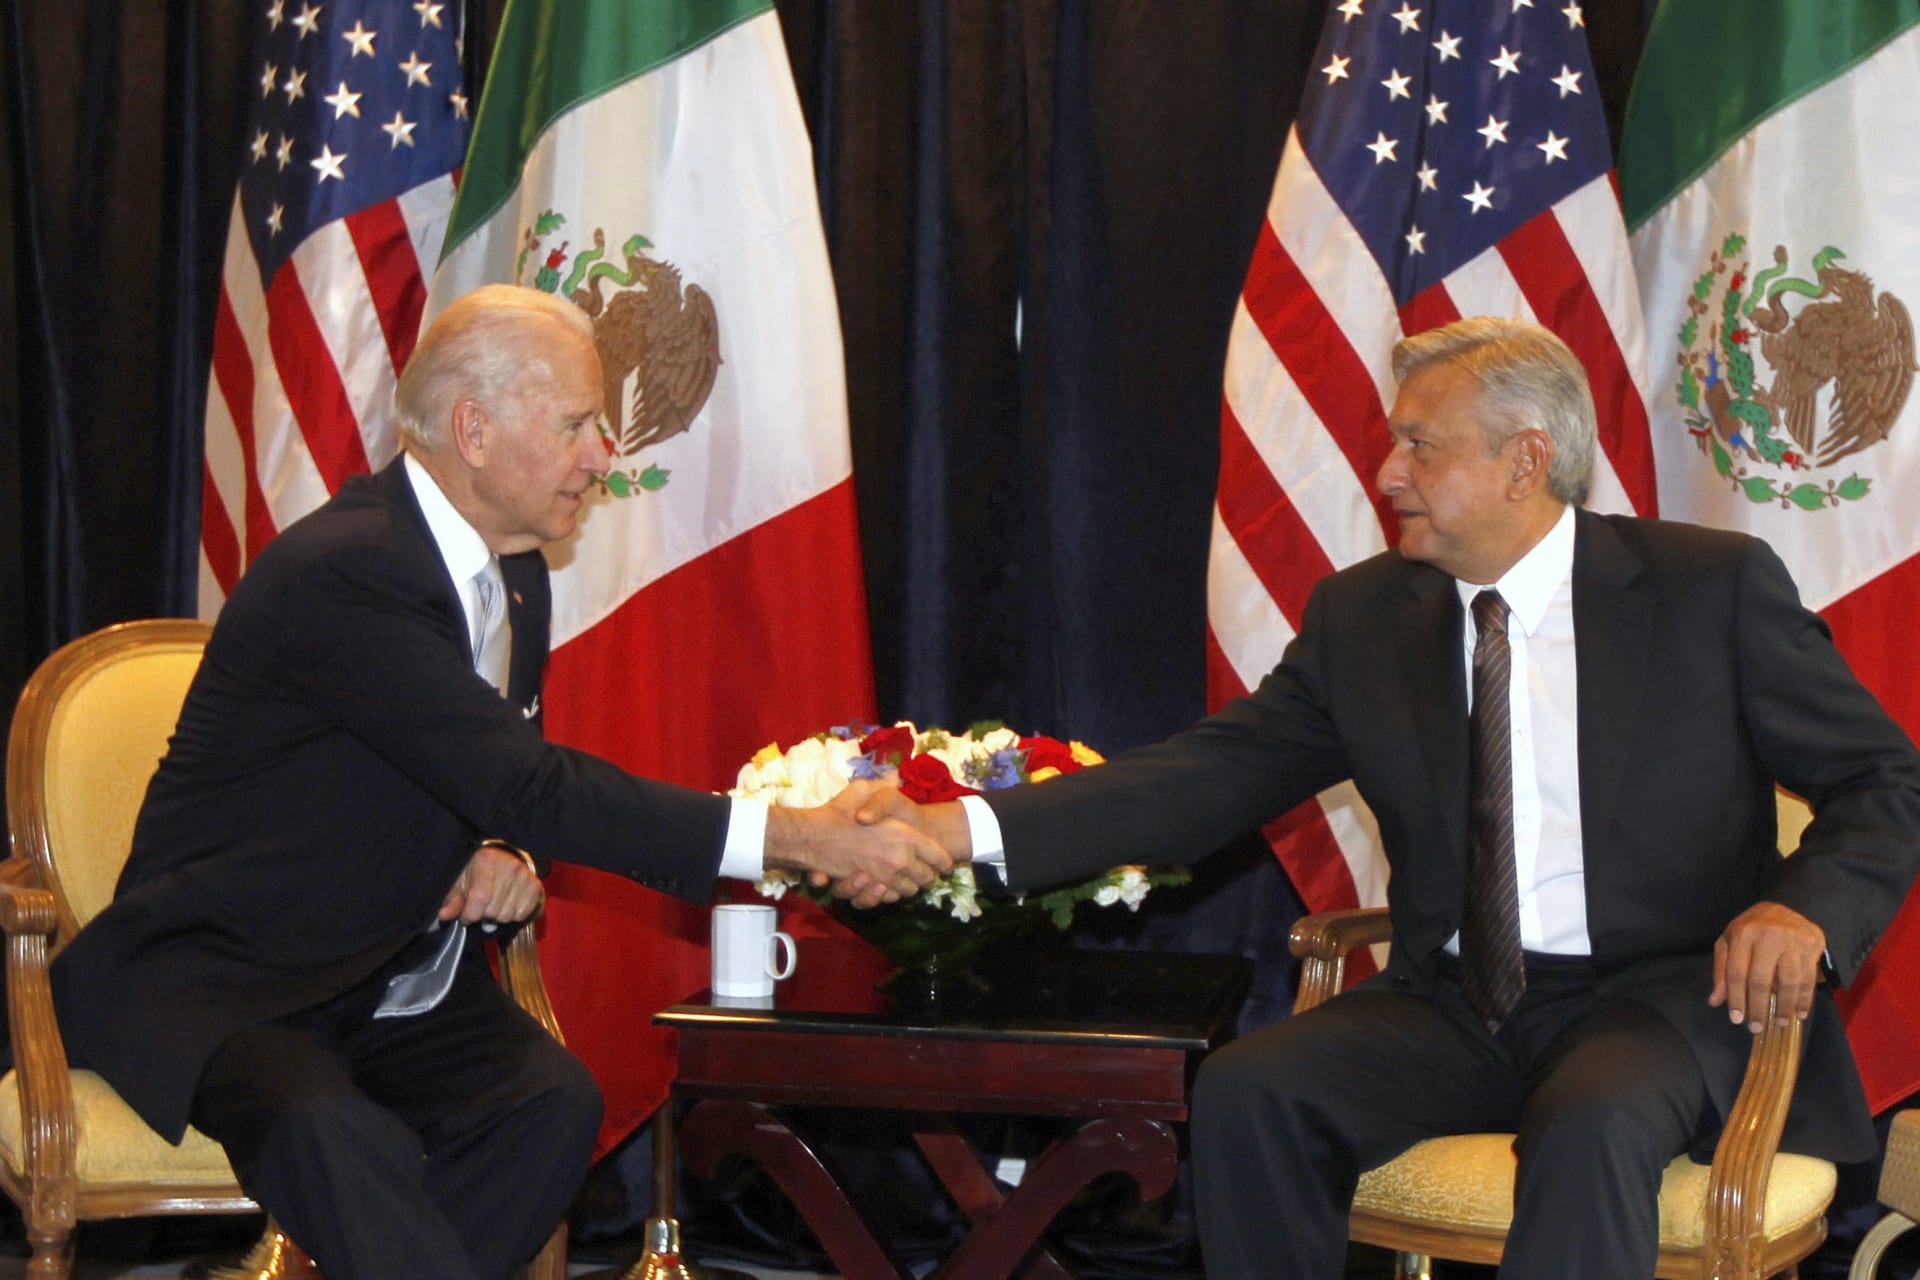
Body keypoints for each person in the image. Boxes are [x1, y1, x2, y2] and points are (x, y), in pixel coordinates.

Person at [855, 316, 1920, 1278]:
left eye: (1421, 443)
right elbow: (1201, 778)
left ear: (1526, 461)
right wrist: (961, 829)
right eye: (1391, 441)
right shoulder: (1366, 616)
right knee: (1251, 1090)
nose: (1386, 470)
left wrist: (1806, 906)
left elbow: (1884, 776)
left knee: (1591, 1120)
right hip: (1456, 1001)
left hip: (1664, 995)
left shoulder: (1708, 589)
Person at [48, 285, 950, 1280]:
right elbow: (531, 779)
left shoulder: (514, 568)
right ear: (473, 430)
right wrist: (797, 836)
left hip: (386, 968)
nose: (604, 452)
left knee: (550, 1102)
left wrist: (504, 852)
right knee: (333, 1132)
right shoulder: (350, 572)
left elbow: (472, 767)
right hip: (231, 977)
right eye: (575, 422)